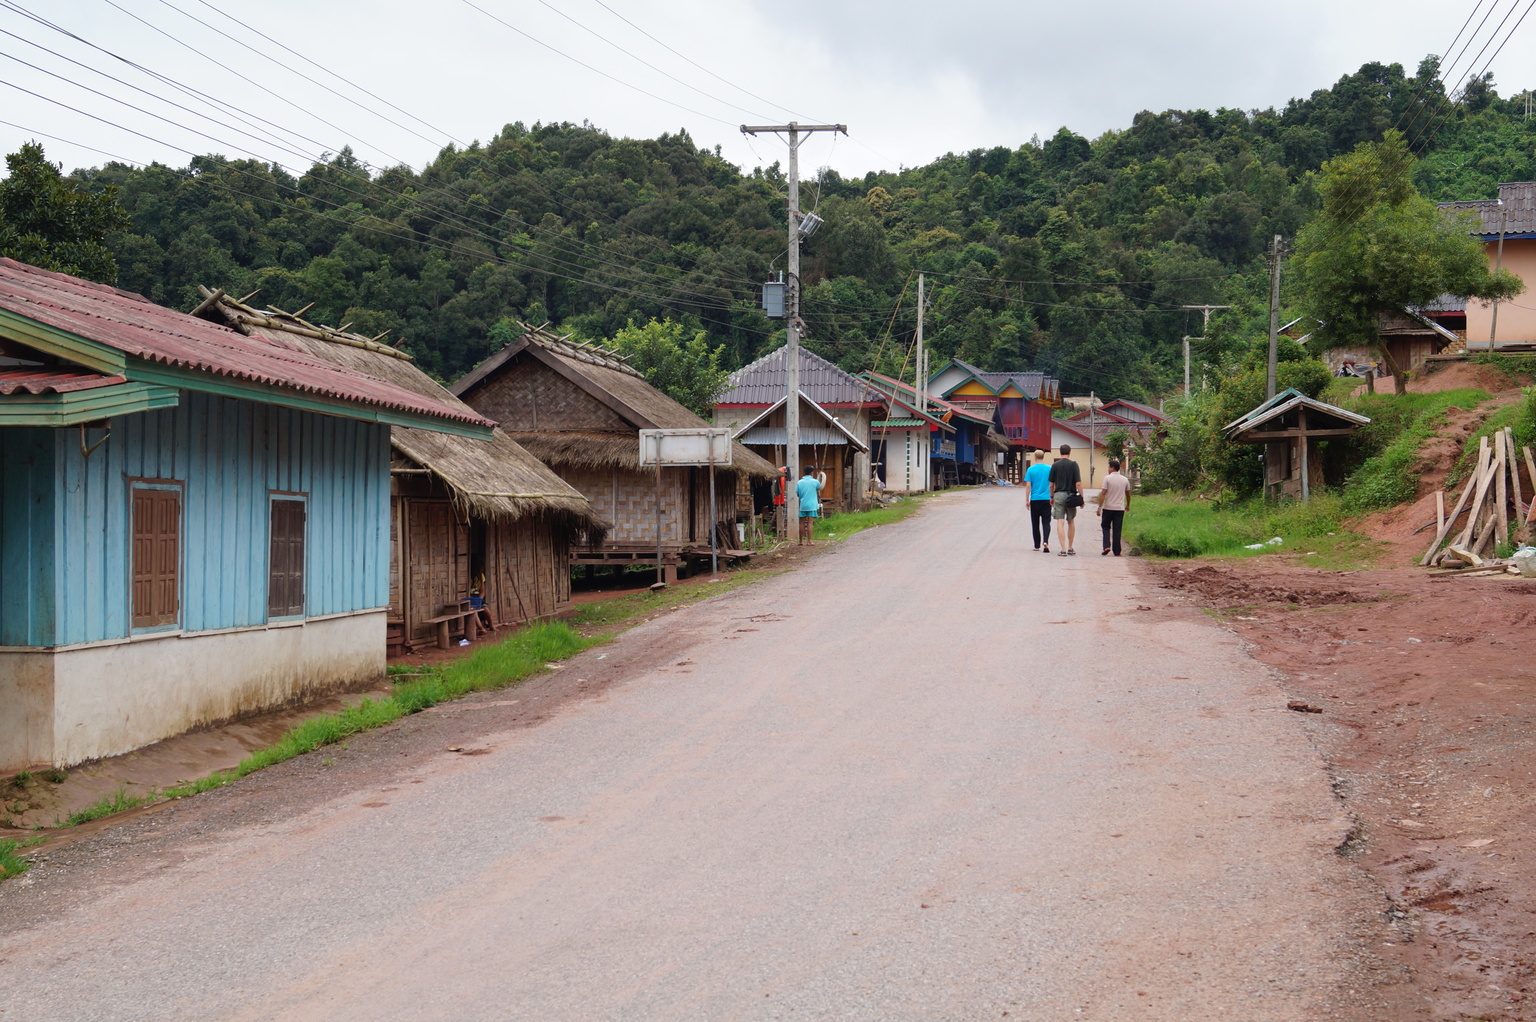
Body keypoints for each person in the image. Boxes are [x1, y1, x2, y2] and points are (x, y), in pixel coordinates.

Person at [1048, 443, 1082, 556]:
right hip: (1071, 496)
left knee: (1060, 521)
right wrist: (1081, 497)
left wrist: (1051, 497)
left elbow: (1051, 484)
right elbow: (1078, 483)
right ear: (1070, 452)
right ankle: (1070, 548)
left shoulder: (1055, 465)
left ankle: (1063, 549)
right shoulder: (1074, 465)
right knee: (1071, 520)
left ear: (1060, 452)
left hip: (1058, 495)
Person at [1095, 457, 1131, 556]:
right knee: (1117, 529)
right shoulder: (1125, 480)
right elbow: (1128, 494)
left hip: (1108, 508)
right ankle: (1117, 551)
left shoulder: (1107, 478)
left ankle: (1106, 546)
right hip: (1119, 509)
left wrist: (1099, 507)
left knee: (1105, 526)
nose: (1108, 469)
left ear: (1112, 468)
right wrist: (1128, 505)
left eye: (1109, 467)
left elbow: (1103, 493)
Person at [1022, 449, 1053, 553]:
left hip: (1035, 499)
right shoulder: (1049, 468)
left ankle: (1036, 545)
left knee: (1035, 523)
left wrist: (1027, 500)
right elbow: (1052, 484)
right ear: (1043, 456)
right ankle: (1046, 541)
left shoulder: (1030, 469)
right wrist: (1052, 496)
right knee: (1046, 522)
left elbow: (1028, 486)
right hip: (1046, 499)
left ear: (1035, 457)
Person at [795, 465, 825, 545]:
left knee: (801, 523)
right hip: (812, 505)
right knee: (810, 523)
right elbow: (820, 487)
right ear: (811, 473)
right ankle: (809, 541)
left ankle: (800, 541)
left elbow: (797, 494)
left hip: (803, 505)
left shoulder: (799, 482)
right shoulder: (815, 482)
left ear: (804, 472)